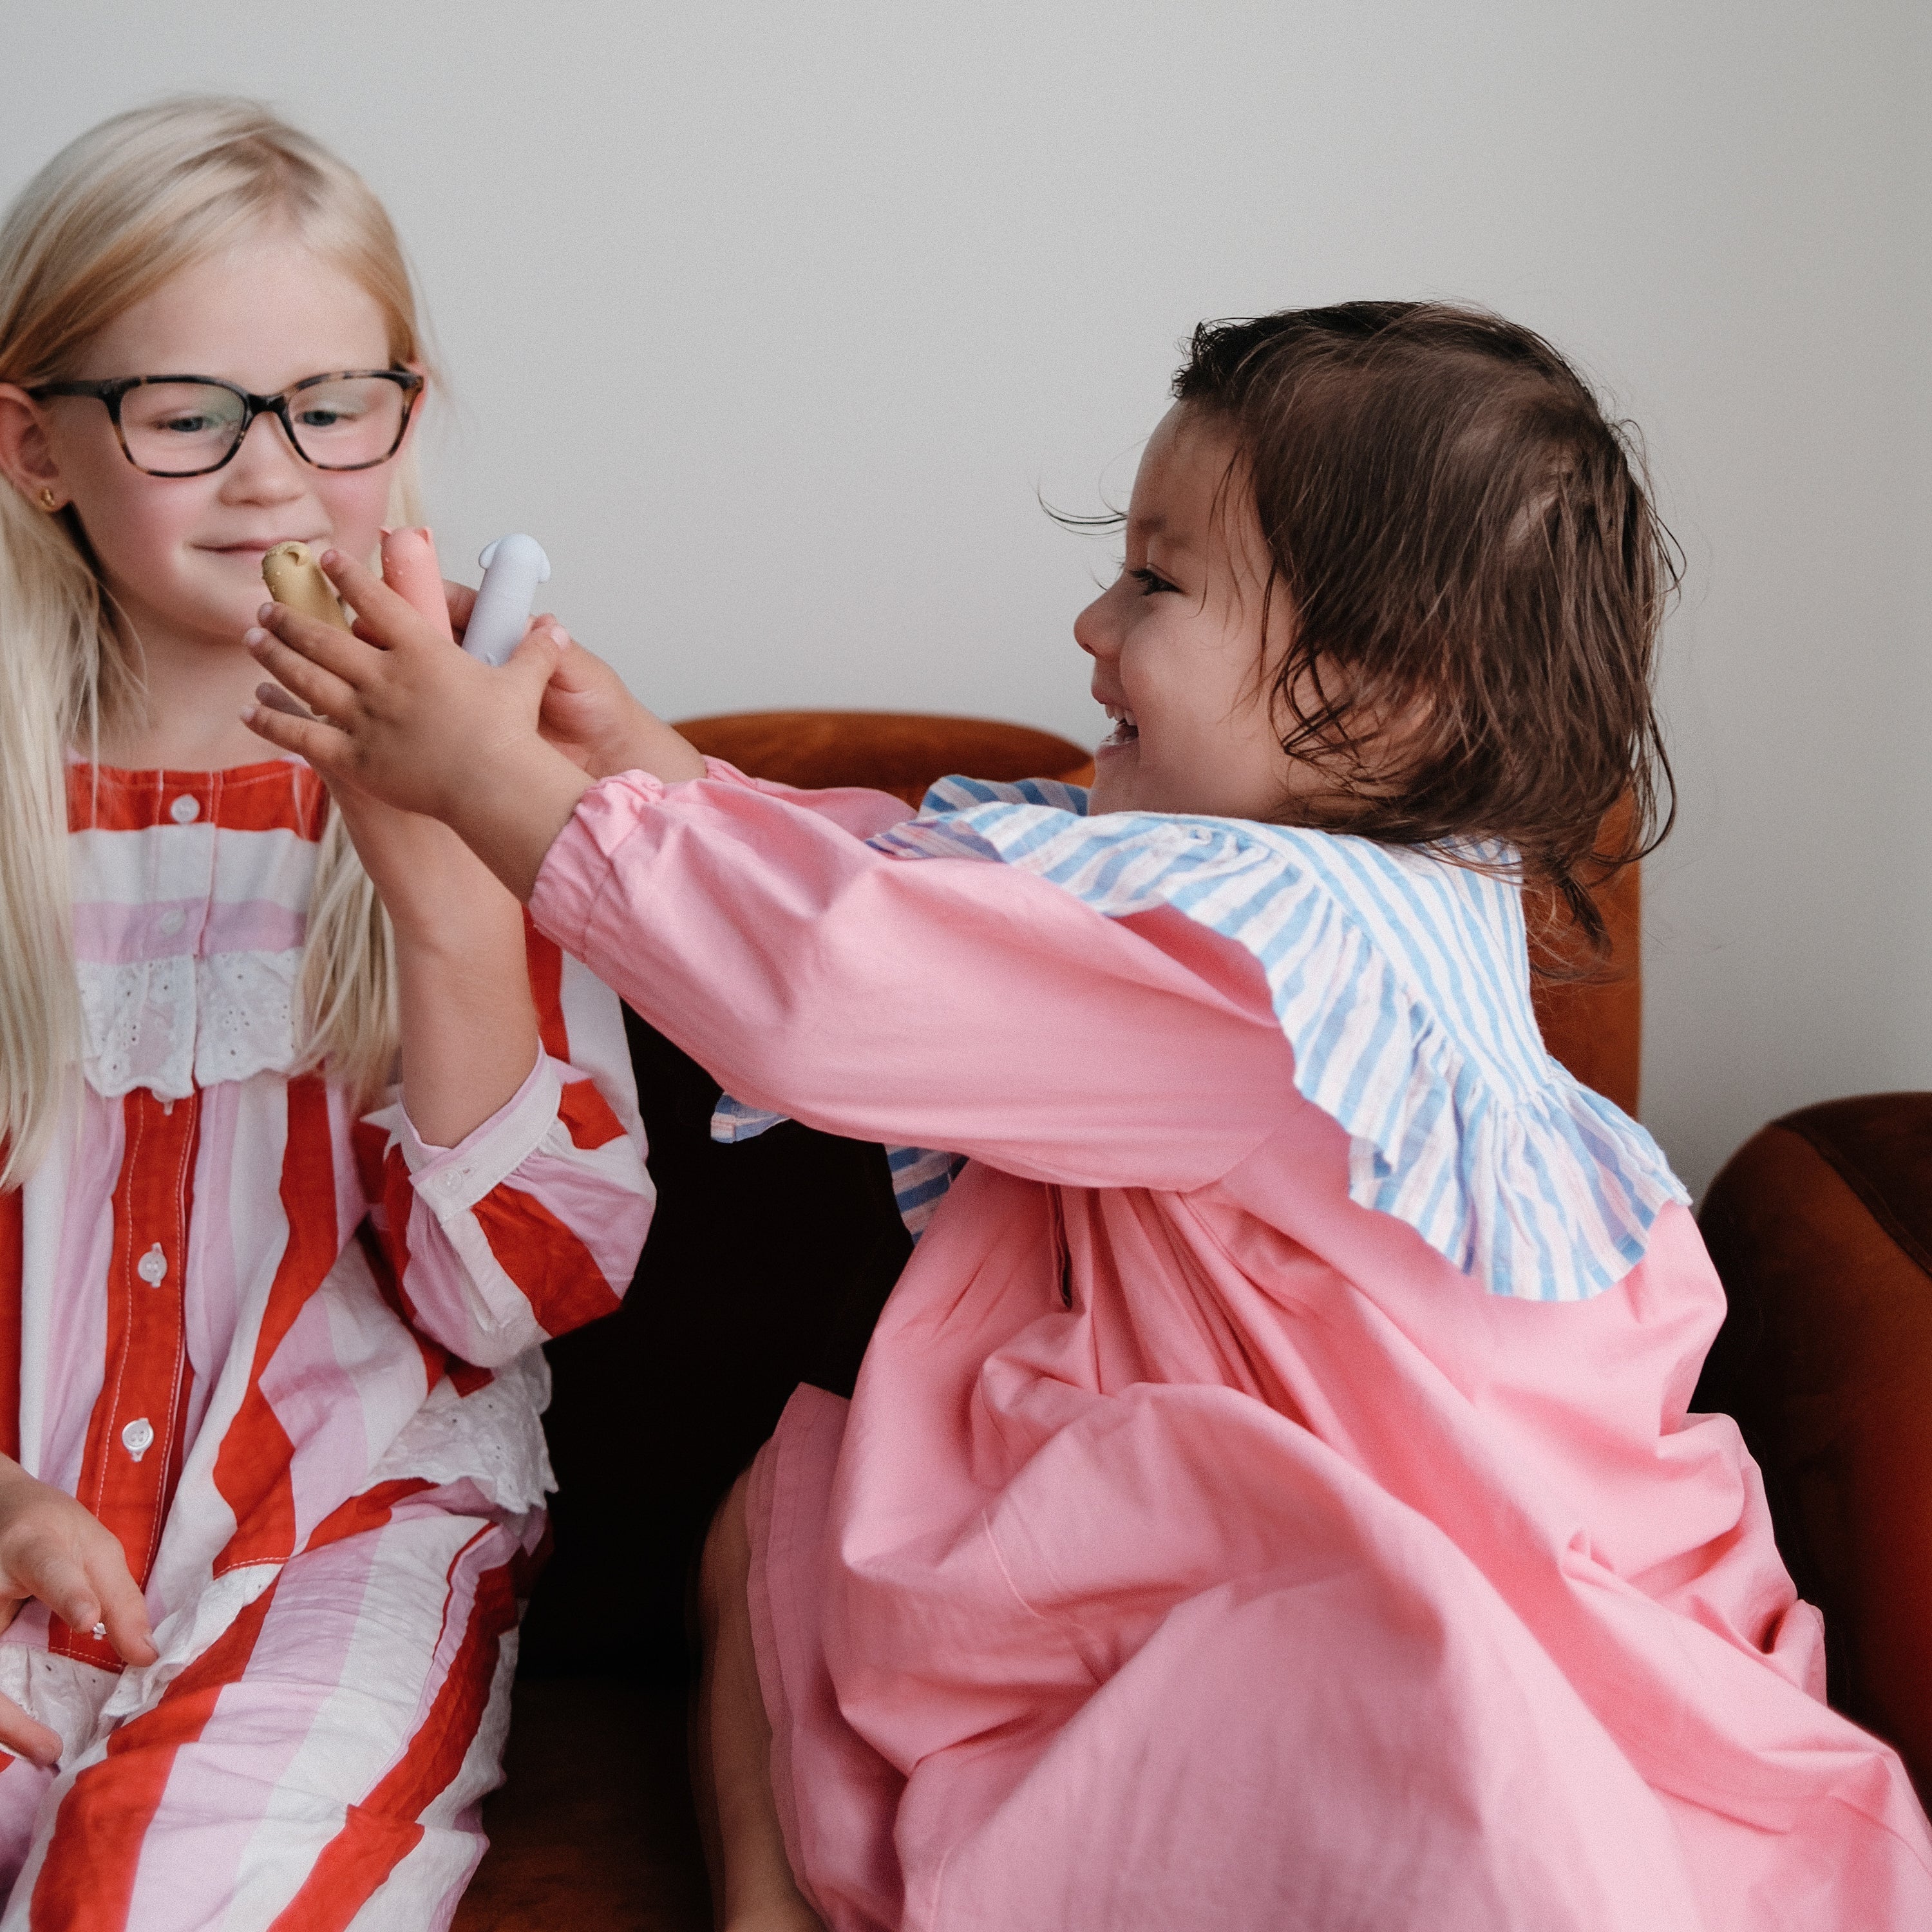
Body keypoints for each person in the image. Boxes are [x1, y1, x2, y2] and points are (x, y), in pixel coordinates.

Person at [242, 303, 1932, 1929]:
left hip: (1386, 1545)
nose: (1093, 629)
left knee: (1426, 1729)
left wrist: (492, 787)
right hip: (1316, 1503)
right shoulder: (1353, 904)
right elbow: (913, 893)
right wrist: (635, 767)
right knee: (796, 1498)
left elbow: (841, 981)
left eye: (1158, 579)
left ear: (1382, 694)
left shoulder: (1256, 965)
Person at [0, 99, 652, 1929]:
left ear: (408, 413)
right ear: (36, 446)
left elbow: (515, 1295)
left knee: (156, 1899)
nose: (272, 476)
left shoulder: (511, 774)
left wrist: (447, 892)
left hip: (336, 1539)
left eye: (327, 408)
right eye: (186, 412)